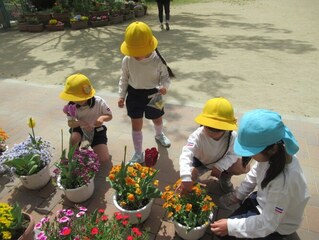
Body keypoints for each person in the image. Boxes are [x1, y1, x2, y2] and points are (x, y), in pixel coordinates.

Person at [211, 109, 310, 239]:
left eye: (252, 152)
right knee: (227, 226)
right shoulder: (277, 152)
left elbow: (268, 223)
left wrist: (230, 227)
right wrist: (239, 194)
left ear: (272, 149)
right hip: (265, 202)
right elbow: (255, 171)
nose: (249, 156)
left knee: (225, 232)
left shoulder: (284, 183)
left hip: (278, 224)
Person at [118, 21, 173, 163]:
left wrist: (164, 87)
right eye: (132, 51)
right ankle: (138, 153)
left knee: (157, 117)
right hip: (134, 95)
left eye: (138, 52)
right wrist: (121, 95)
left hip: (155, 94)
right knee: (136, 124)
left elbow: (165, 77)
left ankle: (159, 134)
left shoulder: (158, 60)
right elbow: (124, 78)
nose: (135, 55)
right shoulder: (127, 60)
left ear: (148, 47)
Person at [179, 97, 250, 194]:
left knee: (243, 166)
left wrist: (220, 166)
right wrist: (185, 177)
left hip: (220, 161)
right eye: (209, 127)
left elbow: (234, 154)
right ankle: (194, 184)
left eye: (218, 129)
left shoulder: (232, 136)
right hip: (201, 162)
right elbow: (186, 153)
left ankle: (225, 178)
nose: (213, 132)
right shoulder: (197, 135)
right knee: (190, 173)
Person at [59, 73, 113, 163]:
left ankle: (91, 155)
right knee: (74, 137)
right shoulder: (71, 106)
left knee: (104, 159)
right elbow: (70, 124)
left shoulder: (99, 102)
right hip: (80, 129)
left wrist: (102, 118)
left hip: (96, 129)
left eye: (80, 97)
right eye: (74, 97)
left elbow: (109, 116)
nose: (78, 100)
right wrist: (80, 123)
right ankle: (73, 155)